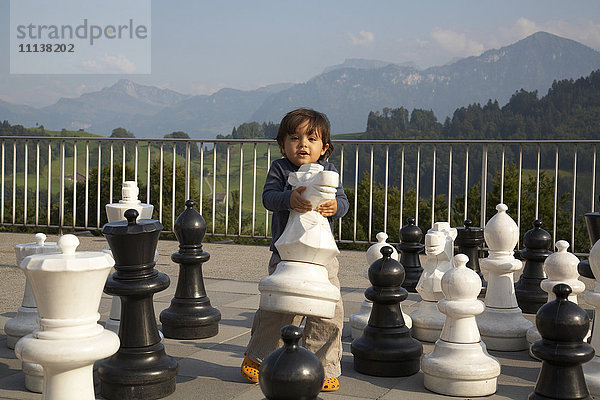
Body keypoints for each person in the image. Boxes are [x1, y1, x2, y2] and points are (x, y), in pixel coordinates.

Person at [241, 108, 349, 392]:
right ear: (282, 144)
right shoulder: (280, 169)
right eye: (294, 138)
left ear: (324, 147)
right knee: (278, 309)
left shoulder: (329, 170)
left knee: (329, 312)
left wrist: (336, 207)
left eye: (311, 138)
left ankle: (325, 364)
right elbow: (268, 198)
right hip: (285, 254)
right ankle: (259, 356)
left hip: (323, 258)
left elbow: (343, 202)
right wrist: (289, 198)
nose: (303, 144)